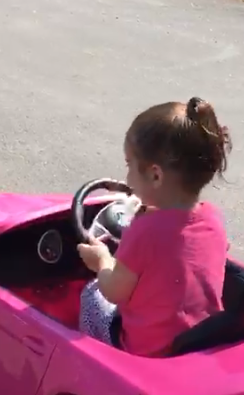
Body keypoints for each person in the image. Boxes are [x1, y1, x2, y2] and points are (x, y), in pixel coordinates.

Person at [77, 97, 231, 357]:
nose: (126, 178)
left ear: (155, 175)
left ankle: (93, 361)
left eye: (129, 165)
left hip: (145, 350)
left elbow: (114, 291)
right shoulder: (213, 221)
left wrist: (102, 261)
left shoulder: (145, 231)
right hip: (198, 342)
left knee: (91, 295)